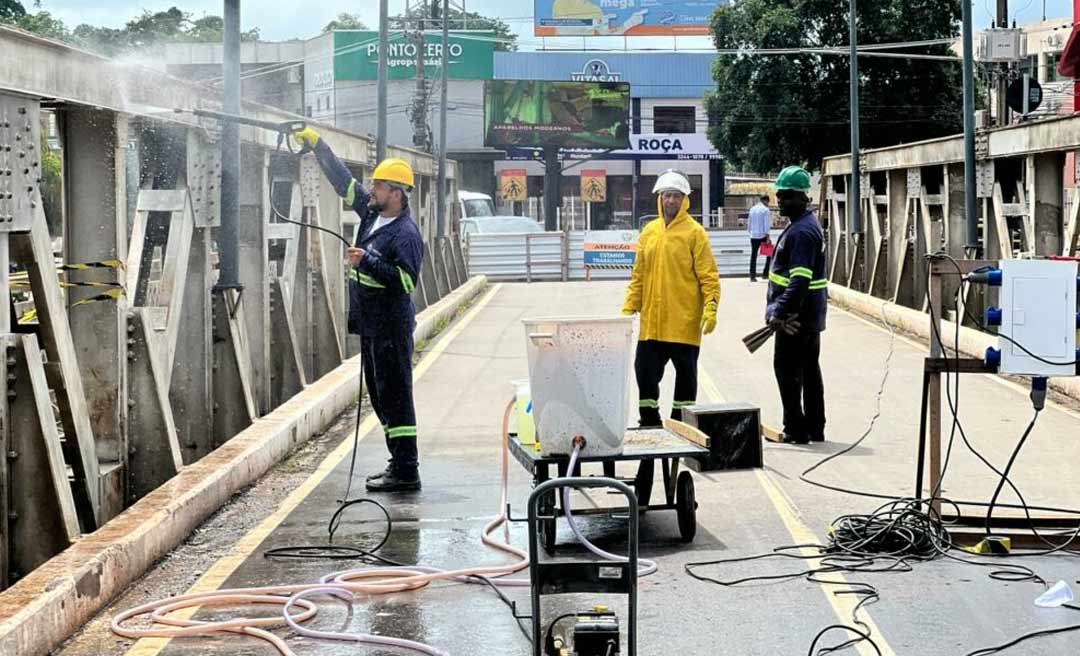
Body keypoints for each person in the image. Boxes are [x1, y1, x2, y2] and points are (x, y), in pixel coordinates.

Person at [294, 127, 424, 492]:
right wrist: (318, 146)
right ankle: (398, 462)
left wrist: (366, 261)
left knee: (395, 396)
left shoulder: (406, 234)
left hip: (390, 328)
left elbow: (406, 282)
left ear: (395, 193)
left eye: (379, 185)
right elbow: (343, 181)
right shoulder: (371, 215)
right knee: (381, 394)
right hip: (371, 325)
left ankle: (406, 469)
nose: (373, 189)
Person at [622, 169, 721, 428]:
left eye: (677, 196)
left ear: (685, 199)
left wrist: (710, 307)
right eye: (667, 196)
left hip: (684, 323)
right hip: (652, 324)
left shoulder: (694, 233)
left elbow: (708, 276)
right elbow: (639, 274)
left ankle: (682, 425)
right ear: (659, 198)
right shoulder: (649, 232)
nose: (671, 201)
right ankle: (650, 421)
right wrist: (629, 306)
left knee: (686, 378)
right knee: (644, 373)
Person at [766, 166, 828, 445]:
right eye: (780, 195)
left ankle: (795, 428)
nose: (781, 201)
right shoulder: (804, 225)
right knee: (809, 370)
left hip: (796, 317)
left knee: (787, 370)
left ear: (803, 197)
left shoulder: (801, 232)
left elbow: (799, 281)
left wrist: (779, 312)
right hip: (809, 314)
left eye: (787, 196)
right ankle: (815, 426)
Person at [747, 194, 772, 282]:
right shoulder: (766, 210)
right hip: (763, 236)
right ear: (766, 201)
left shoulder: (752, 209)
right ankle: (765, 273)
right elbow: (767, 224)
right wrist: (768, 236)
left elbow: (749, 223)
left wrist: (750, 232)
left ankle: (752, 276)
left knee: (753, 255)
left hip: (753, 236)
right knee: (769, 254)